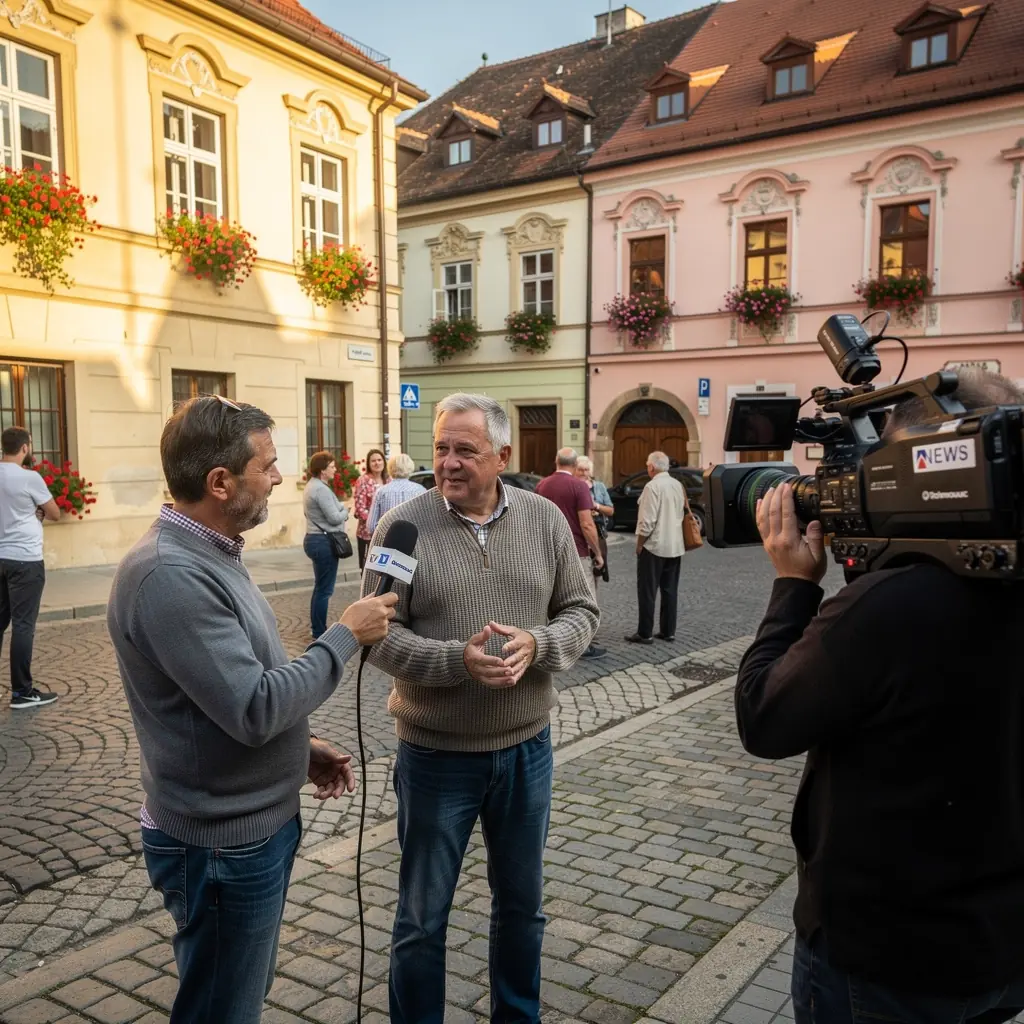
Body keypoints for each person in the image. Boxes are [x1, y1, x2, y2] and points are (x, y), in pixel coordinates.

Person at [735, 368, 1024, 1023]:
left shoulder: (890, 606)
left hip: (885, 958)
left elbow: (764, 718)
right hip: (1001, 946)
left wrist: (793, 585)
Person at [107, 395, 398, 1024]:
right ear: (220, 482)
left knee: (237, 991)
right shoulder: (170, 573)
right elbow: (255, 707)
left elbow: (225, 695)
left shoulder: (210, 552)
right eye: (265, 465)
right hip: (222, 846)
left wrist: (299, 748)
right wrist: (344, 635)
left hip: (248, 830)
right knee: (223, 1007)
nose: (278, 477)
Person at [363, 392, 598, 1024]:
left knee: (522, 908)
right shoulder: (401, 528)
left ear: (502, 455)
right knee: (421, 917)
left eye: (465, 450)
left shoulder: (545, 519)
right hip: (435, 757)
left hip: (526, 751)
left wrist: (538, 644)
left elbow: (582, 610)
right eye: (441, 447)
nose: (448, 462)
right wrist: (455, 661)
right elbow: (376, 636)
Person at [0, 426, 60, 709]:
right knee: (23, 626)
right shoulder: (29, 478)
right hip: (25, 559)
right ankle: (22, 692)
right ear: (24, 448)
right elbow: (55, 513)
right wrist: (37, 510)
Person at [537, 448, 606, 659]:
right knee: (583, 599)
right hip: (577, 550)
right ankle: (584, 646)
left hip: (547, 551)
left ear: (556, 461)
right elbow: (587, 524)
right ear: (575, 465)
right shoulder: (579, 486)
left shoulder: (542, 485)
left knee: (552, 598)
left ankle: (556, 641)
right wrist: (598, 553)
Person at [627, 451, 685, 644]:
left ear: (651, 467)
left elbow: (647, 521)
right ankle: (668, 631)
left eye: (647, 465)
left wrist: (639, 544)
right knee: (670, 590)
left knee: (647, 591)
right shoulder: (677, 485)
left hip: (654, 545)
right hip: (675, 545)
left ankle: (645, 633)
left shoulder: (652, 487)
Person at [303, 450, 351, 639]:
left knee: (320, 587)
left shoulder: (313, 486)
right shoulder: (320, 489)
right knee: (325, 589)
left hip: (315, 539)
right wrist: (346, 511)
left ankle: (317, 627)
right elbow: (334, 517)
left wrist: (341, 508)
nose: (335, 469)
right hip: (323, 541)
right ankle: (319, 631)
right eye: (331, 466)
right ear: (322, 470)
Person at [366, 452, 426, 535]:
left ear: (390, 468)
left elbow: (371, 526)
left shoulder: (381, 492)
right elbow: (426, 522)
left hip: (387, 540)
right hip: (415, 540)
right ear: (410, 467)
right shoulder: (421, 490)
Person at [575, 455, 613, 583]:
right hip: (579, 533)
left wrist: (596, 506)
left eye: (586, 470)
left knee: (597, 570)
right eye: (580, 470)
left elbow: (610, 510)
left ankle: (593, 593)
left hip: (598, 532)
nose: (583, 473)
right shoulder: (573, 486)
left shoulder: (599, 487)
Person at [353, 448, 387, 568]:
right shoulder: (363, 481)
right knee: (368, 568)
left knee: (383, 568)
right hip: (367, 533)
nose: (377, 463)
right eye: (373, 461)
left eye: (379, 460)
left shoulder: (388, 480)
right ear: (368, 464)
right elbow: (360, 508)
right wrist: (375, 522)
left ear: (384, 462)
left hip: (386, 532)